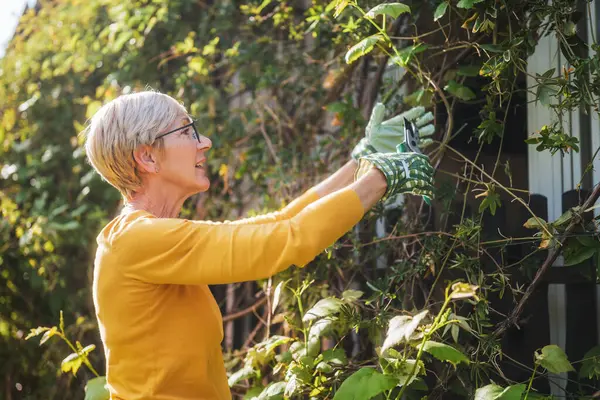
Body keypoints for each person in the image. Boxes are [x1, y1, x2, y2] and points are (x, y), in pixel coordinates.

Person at [83, 90, 435, 399]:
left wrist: (360, 162)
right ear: (147, 157)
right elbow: (285, 240)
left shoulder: (152, 235)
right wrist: (382, 177)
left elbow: (279, 222)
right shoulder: (136, 240)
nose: (204, 142)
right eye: (187, 131)